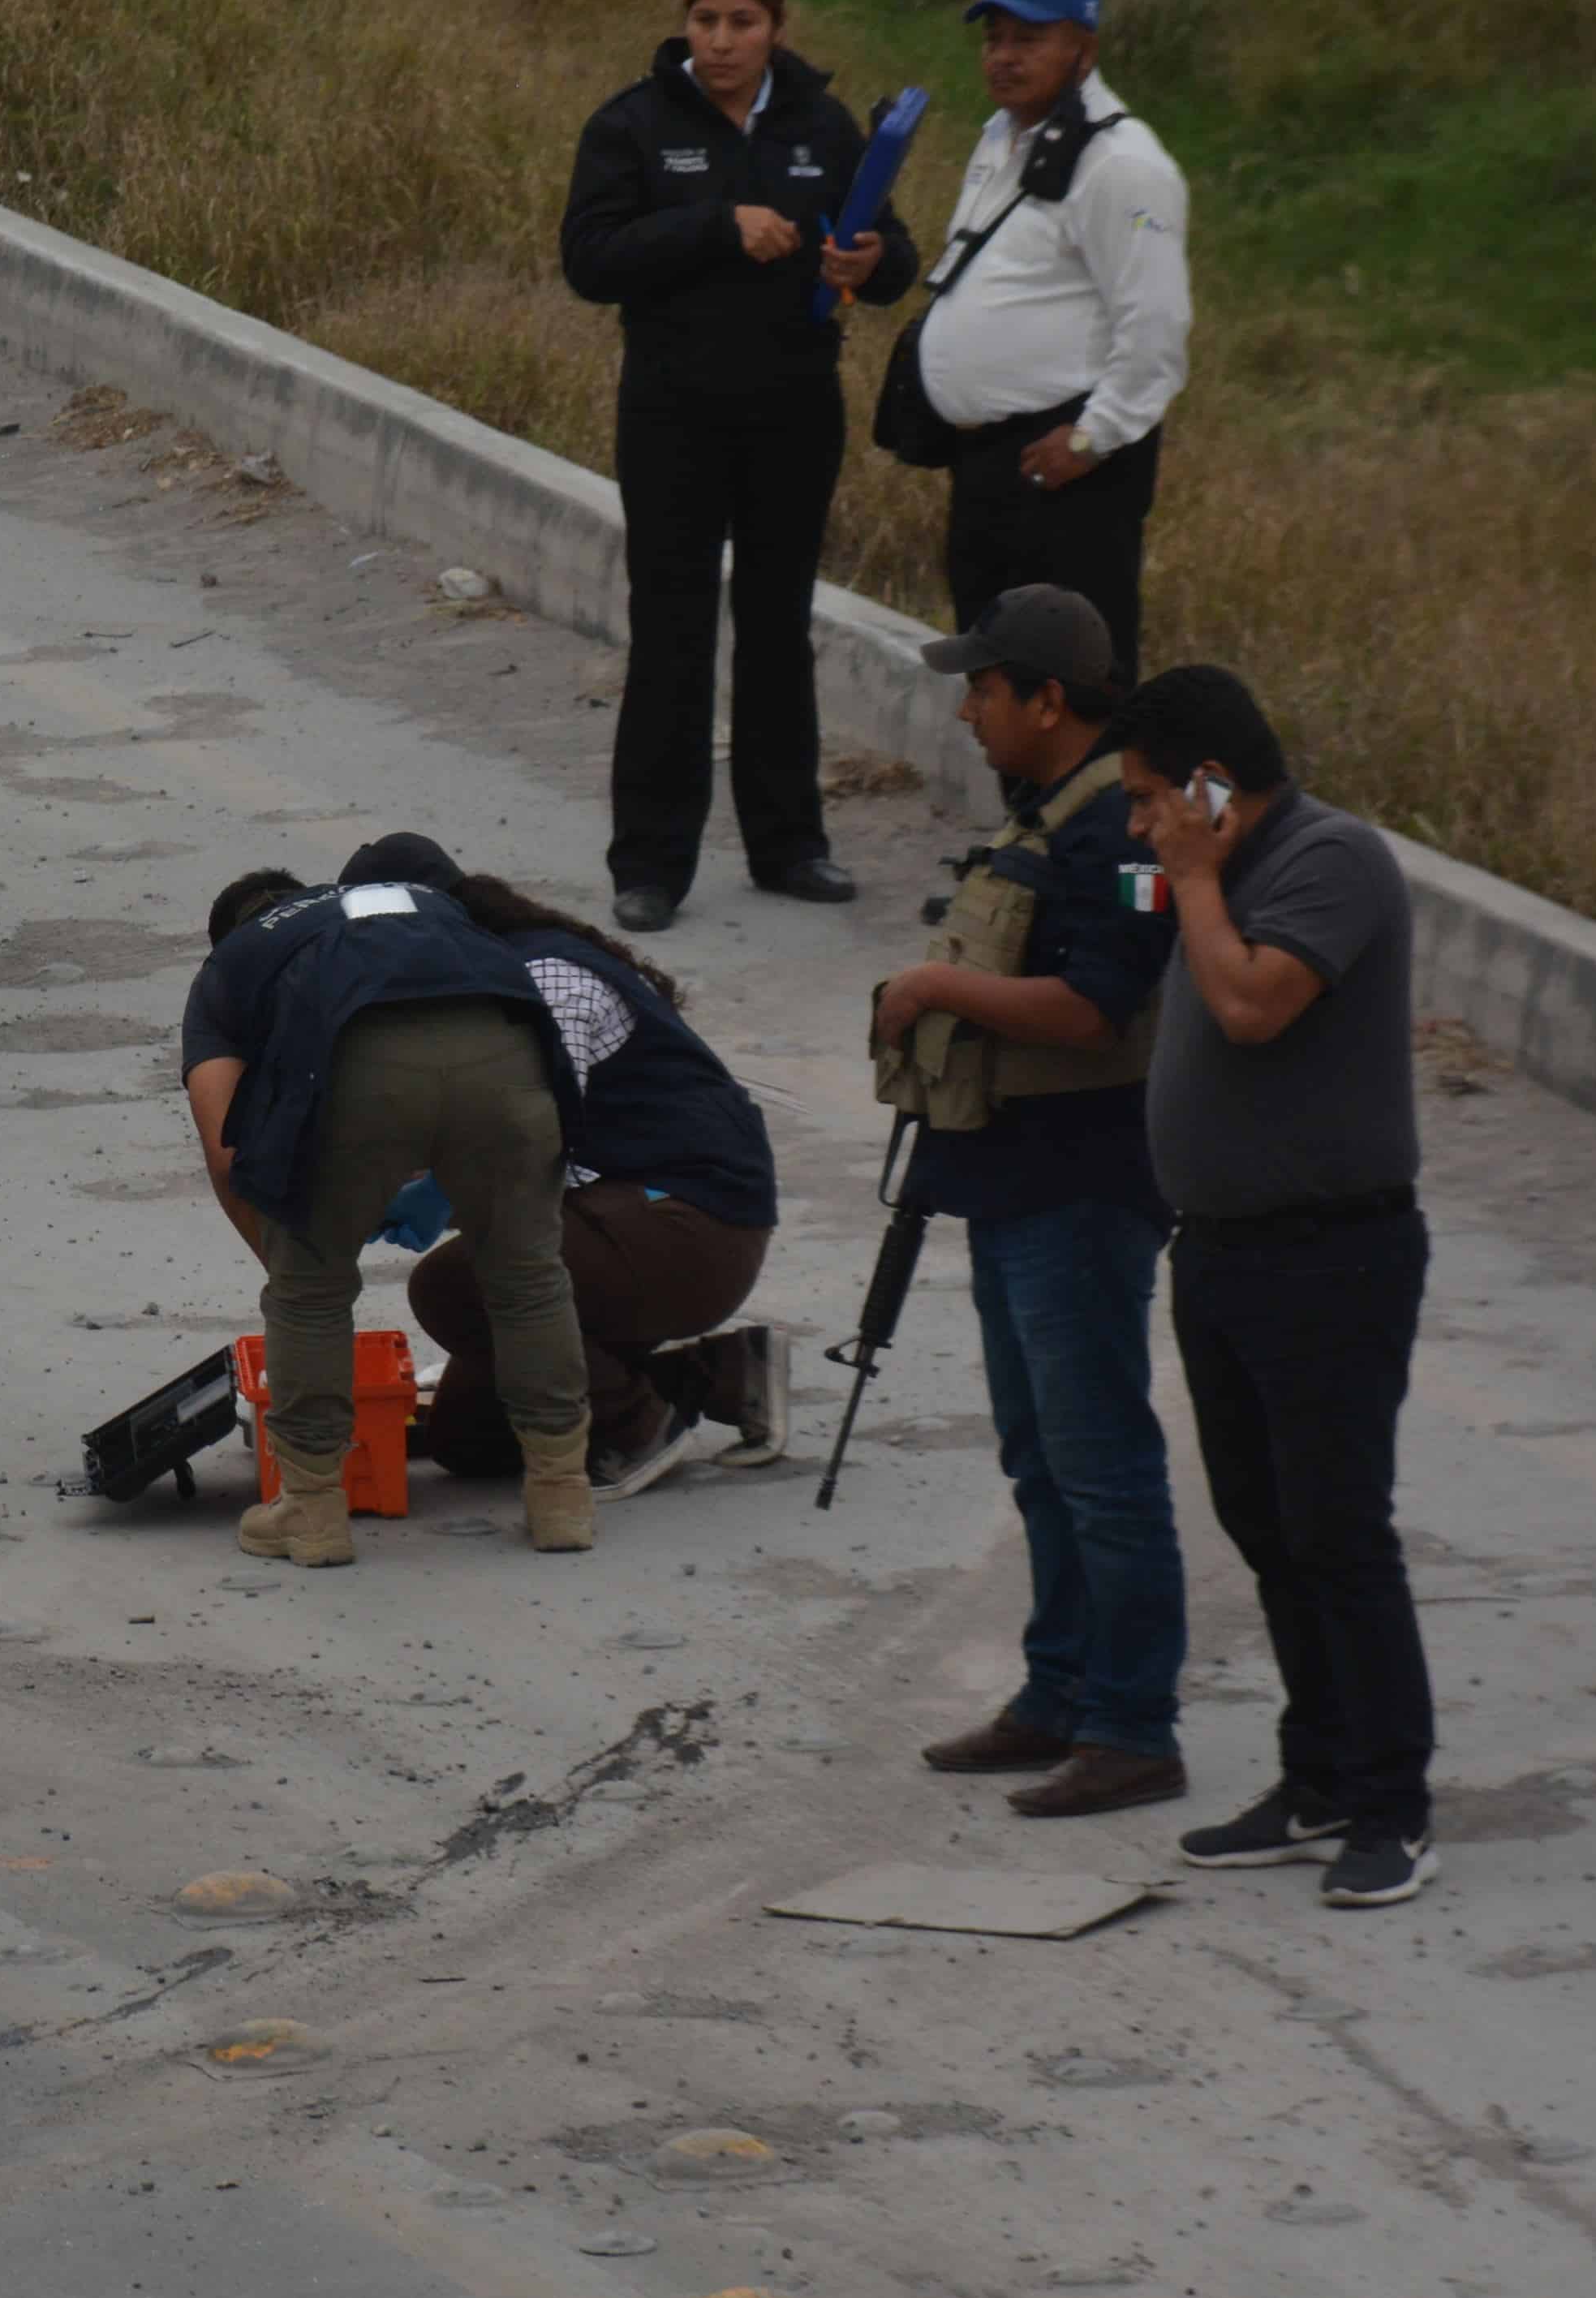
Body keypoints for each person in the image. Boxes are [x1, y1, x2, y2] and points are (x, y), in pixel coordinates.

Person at [1107, 663, 1439, 1910]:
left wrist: (1193, 874)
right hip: (1224, 1249)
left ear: (1211, 785)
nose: (1140, 826)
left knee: (1340, 1529)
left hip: (1332, 1253)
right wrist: (1178, 873)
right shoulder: (1219, 873)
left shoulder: (1331, 861)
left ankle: (1394, 1804)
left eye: (1151, 800)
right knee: (1262, 1520)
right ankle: (1318, 1773)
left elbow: (1251, 1008)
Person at [871, 587, 1189, 1820]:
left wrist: (936, 985)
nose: (969, 711)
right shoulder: (1054, 812)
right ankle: (1057, 1695)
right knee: (1041, 1458)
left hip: (1081, 1185)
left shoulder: (1114, 825)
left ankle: (1133, 1725)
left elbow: (1097, 1006)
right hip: (1012, 1180)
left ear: (1048, 699)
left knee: (1101, 1462)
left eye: (987, 690)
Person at [559, 0, 911, 927]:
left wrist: (870, 260)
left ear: (777, 30)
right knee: (670, 630)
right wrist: (717, 226)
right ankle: (651, 864)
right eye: (707, 20)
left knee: (776, 627)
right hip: (672, 413)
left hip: (795, 411)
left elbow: (892, 255)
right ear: (686, 24)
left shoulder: (820, 123)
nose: (723, 41)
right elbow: (589, 257)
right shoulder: (633, 125)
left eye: (743, 23)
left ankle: (790, 843)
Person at [179, 855, 593, 1562]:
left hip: (358, 1071)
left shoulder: (232, 966)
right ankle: (561, 1494)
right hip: (509, 1049)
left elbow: (227, 1150)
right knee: (526, 1274)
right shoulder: (408, 905)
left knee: (311, 1296)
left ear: (228, 935)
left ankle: (312, 1512)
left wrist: (297, 1264)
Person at [387, 838, 774, 1500]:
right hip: (631, 1219)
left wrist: (437, 1194)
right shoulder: (491, 980)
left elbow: (530, 1137)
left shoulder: (545, 976)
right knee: (469, 1440)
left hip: (692, 1222)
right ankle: (730, 1374)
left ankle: (636, 1427)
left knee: (454, 1287)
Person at [904, 0, 1193, 680]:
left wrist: (1094, 440)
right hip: (988, 467)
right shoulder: (1002, 136)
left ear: (1082, 51)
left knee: (1076, 696)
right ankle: (1021, 803)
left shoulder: (1123, 164)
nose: (1003, 58)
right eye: (994, 38)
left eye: (1028, 40)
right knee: (998, 689)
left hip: (1065, 477)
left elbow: (1154, 327)